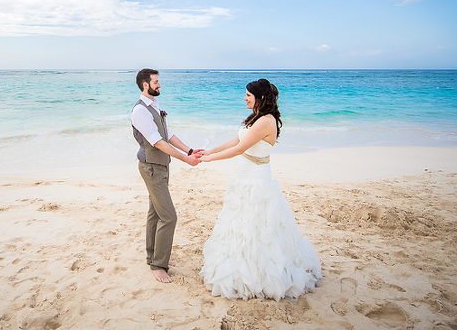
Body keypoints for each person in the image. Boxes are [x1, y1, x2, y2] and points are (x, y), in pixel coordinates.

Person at [199, 79, 322, 300]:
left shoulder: (266, 121)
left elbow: (239, 149)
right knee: (240, 225)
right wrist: (207, 151)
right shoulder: (255, 118)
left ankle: (260, 274)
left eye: (248, 95)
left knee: (257, 227)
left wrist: (209, 160)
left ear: (261, 97)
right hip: (244, 177)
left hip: (256, 181)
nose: (244, 98)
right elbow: (235, 140)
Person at [131, 68, 203, 283]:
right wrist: (186, 159)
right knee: (169, 216)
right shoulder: (140, 111)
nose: (159, 85)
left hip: (162, 166)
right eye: (156, 82)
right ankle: (158, 265)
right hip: (151, 167)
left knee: (155, 212)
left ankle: (154, 256)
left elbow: (168, 135)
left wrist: (190, 150)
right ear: (145, 85)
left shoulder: (155, 107)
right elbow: (158, 142)